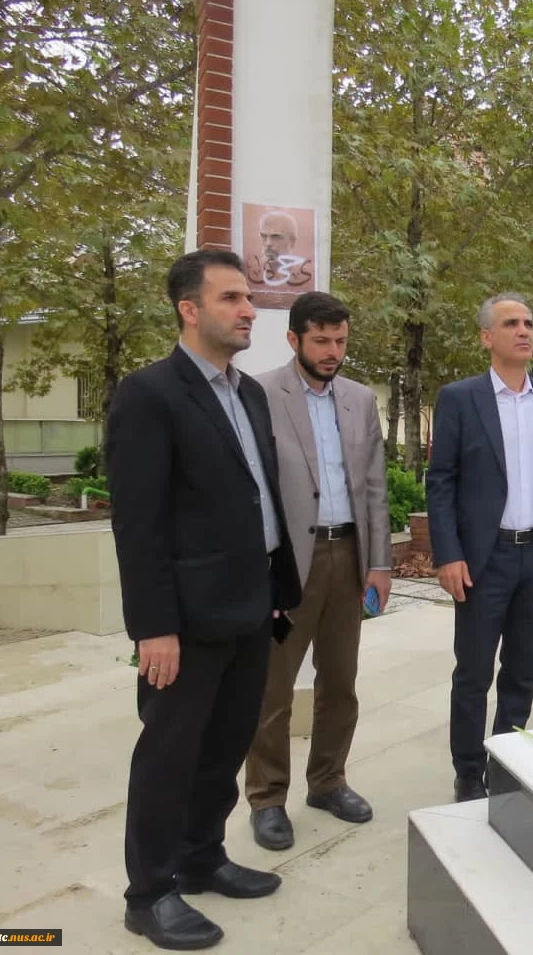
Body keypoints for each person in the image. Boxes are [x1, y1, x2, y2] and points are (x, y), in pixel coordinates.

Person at [106, 249, 302, 951]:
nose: (249, 310)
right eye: (231, 298)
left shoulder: (248, 394)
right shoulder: (149, 394)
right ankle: (149, 893)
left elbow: (257, 498)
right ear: (189, 309)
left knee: (224, 748)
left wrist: (276, 590)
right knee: (169, 756)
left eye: (248, 298)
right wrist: (153, 626)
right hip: (184, 621)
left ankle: (200, 856)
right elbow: (139, 523)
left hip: (250, 606)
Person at [244, 291, 393, 851]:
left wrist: (379, 563)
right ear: (294, 339)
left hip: (347, 557)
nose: (333, 351)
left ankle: (328, 781)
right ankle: (267, 798)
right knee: (274, 688)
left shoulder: (359, 399)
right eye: (322, 341)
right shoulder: (259, 393)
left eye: (341, 341)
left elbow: (374, 487)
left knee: (341, 682)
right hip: (286, 563)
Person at [425, 292, 533, 802]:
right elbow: (441, 481)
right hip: (482, 558)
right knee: (474, 672)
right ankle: (469, 770)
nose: (524, 331)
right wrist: (448, 553)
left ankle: (505, 762)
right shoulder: (460, 399)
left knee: (523, 670)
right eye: (511, 323)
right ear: (487, 337)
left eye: (529, 323)